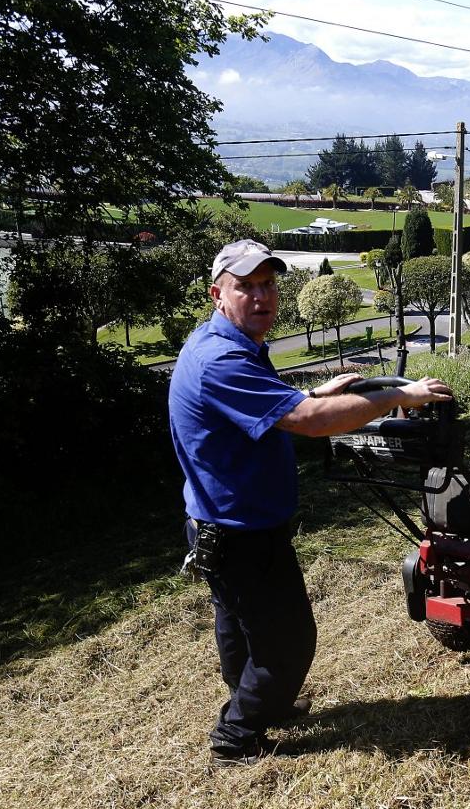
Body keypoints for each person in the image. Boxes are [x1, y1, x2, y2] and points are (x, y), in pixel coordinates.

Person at [168, 239, 451, 766]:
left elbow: (277, 409)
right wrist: (398, 396)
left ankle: (255, 705)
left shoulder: (224, 343)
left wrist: (317, 393)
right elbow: (312, 426)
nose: (261, 296)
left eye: (268, 284)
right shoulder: (221, 358)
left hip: (218, 526)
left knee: (241, 628)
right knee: (289, 645)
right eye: (246, 286)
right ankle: (237, 735)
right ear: (217, 293)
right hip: (241, 532)